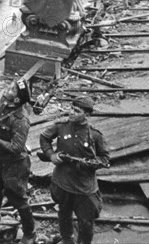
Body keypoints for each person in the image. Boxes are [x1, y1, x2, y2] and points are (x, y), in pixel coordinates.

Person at [40, 96, 110, 244]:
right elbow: (44, 138)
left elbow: (104, 159)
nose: (71, 112)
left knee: (86, 222)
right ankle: (67, 239)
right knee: (64, 215)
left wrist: (89, 164)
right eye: (71, 108)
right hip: (63, 181)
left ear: (87, 115)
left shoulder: (95, 135)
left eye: (76, 111)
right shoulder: (61, 126)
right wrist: (51, 154)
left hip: (85, 187)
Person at [0, 79, 36, 244]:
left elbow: (17, 147)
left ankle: (30, 233)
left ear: (18, 98)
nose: (7, 89)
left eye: (12, 89)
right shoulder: (4, 105)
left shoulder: (20, 119)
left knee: (17, 196)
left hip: (14, 163)